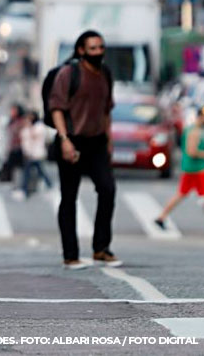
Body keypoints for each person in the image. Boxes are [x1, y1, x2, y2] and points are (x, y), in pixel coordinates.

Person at [49, 30, 120, 270]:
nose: (98, 52)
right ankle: (71, 254)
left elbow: (106, 110)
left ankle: (101, 248)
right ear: (81, 50)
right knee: (69, 197)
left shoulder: (105, 74)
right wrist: (64, 139)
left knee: (108, 189)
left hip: (97, 141)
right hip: (72, 140)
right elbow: (56, 108)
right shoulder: (69, 74)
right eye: (93, 48)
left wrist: (108, 140)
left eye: (101, 47)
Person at [155, 106, 204, 234]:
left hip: (190, 168)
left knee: (185, 194)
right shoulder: (195, 132)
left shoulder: (192, 129)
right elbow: (192, 151)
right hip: (198, 169)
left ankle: (162, 217)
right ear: (201, 116)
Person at [17, 111, 52, 199]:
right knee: (37, 171)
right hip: (29, 153)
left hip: (36, 153)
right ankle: (48, 185)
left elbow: (34, 136)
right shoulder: (27, 127)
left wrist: (29, 127)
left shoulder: (38, 127)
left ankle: (24, 189)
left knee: (30, 172)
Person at [0, 104, 25, 182]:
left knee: (21, 167)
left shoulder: (21, 121)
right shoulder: (11, 122)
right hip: (12, 147)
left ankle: (21, 184)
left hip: (20, 147)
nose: (12, 112)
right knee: (13, 167)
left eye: (14, 110)